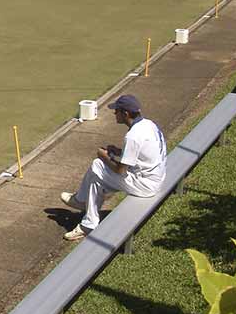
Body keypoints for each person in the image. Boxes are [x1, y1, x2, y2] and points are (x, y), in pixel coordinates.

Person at [59, 94, 166, 241]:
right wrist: (119, 152)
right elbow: (142, 155)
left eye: (117, 111)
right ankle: (84, 208)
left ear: (126, 113)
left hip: (145, 185)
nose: (114, 113)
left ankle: (85, 214)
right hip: (155, 177)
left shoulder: (133, 136)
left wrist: (104, 156)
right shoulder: (149, 124)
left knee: (97, 166)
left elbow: (121, 170)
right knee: (97, 179)